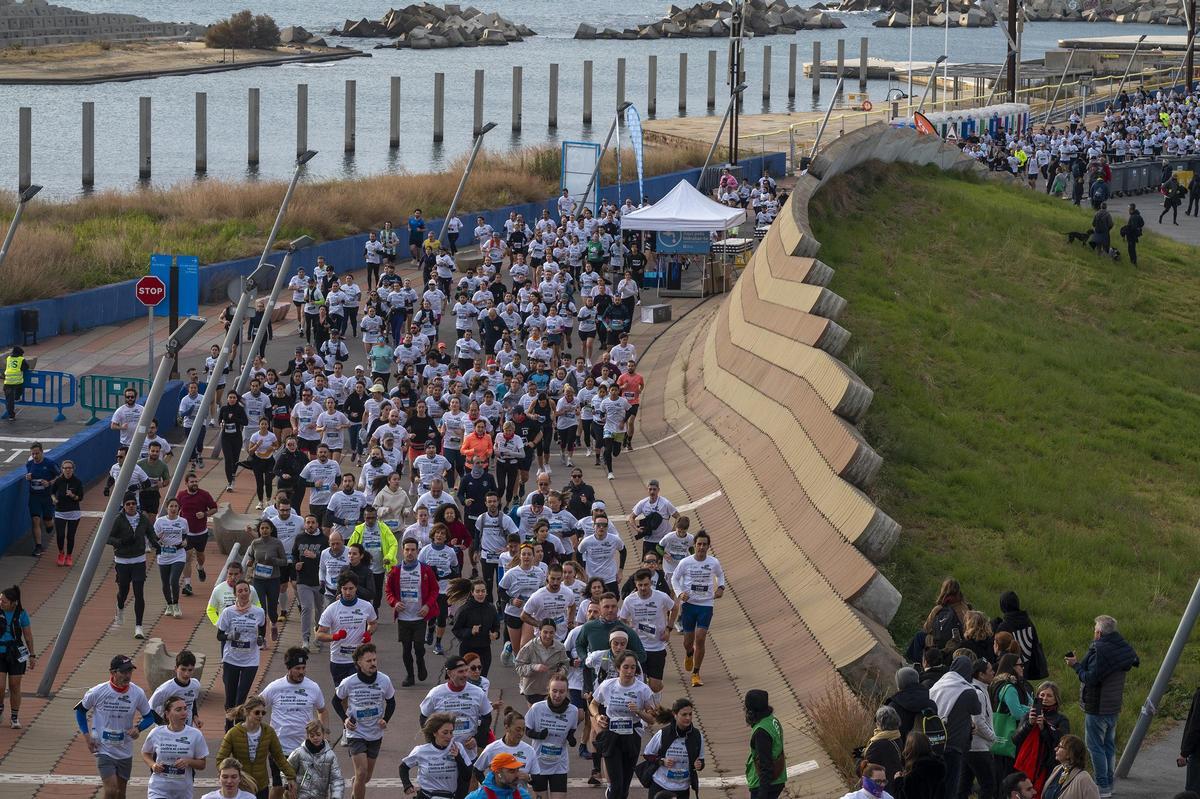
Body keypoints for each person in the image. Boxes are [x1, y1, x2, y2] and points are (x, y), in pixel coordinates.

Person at [1065, 614, 1139, 798]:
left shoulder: (1099, 650)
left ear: (1098, 632)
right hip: (1113, 705)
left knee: (1095, 747)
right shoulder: (1123, 648)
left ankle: (1102, 787)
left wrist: (1075, 666)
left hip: (1097, 706)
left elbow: (1090, 678)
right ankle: (1109, 783)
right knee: (1108, 746)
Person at [76, 655, 156, 799]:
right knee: (111, 790)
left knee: (120, 794)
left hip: (125, 750)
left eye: (130, 671)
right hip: (103, 748)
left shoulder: (137, 693)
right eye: (124, 672)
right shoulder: (98, 691)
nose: (128, 675)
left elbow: (149, 717)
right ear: (113, 672)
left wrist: (138, 728)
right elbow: (80, 711)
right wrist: (87, 737)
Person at [261, 647, 327, 798]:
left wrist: (324, 735)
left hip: (304, 748)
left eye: (304, 668)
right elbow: (257, 705)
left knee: (296, 789)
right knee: (278, 788)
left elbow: (322, 710)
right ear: (289, 668)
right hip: (278, 748)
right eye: (297, 668)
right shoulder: (275, 687)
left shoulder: (312, 687)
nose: (301, 672)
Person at [333, 643, 396, 799]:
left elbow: (391, 701)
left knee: (365, 777)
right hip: (356, 733)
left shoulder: (384, 680)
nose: (373, 663)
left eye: (374, 659)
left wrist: (385, 719)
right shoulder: (349, 682)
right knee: (361, 773)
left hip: (375, 733)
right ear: (358, 663)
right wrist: (345, 719)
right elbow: (336, 701)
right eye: (368, 661)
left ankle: (357, 787)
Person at [590, 652, 657, 799]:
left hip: (632, 735)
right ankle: (611, 792)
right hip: (611, 736)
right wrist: (597, 716)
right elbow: (593, 704)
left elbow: (652, 719)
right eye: (625, 667)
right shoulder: (608, 685)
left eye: (633, 668)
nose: (629, 671)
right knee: (616, 785)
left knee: (625, 786)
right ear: (618, 667)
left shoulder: (643, 690)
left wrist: (639, 711)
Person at [670, 530, 725, 687]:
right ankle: (689, 653)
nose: (701, 547)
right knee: (688, 642)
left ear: (708, 547)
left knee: (700, 638)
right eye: (699, 544)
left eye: (704, 545)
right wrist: (680, 593)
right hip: (689, 605)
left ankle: (696, 673)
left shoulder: (713, 562)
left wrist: (721, 588)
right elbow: (675, 578)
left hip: (706, 604)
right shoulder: (686, 562)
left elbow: (720, 575)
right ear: (694, 545)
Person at [384, 537, 440, 686]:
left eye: (413, 550)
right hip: (403, 617)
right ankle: (410, 675)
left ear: (417, 551)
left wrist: (427, 605)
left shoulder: (425, 569)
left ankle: (420, 663)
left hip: (419, 616)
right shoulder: (395, 571)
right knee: (406, 648)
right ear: (402, 551)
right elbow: (388, 591)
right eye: (407, 550)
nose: (410, 553)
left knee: (419, 646)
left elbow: (435, 589)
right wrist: (394, 603)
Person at [217, 696, 297, 799]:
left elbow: (279, 757)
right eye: (257, 712)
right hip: (241, 786)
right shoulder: (233, 733)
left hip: (261, 786)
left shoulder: (269, 732)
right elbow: (220, 760)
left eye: (263, 713)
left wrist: (290, 776)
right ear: (247, 712)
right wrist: (232, 777)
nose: (260, 716)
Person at [216, 580, 267, 724]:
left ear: (250, 593)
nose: (243, 593)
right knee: (230, 697)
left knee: (241, 697)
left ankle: (238, 728)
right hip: (231, 658)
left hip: (250, 660)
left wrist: (260, 639)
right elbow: (219, 636)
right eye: (240, 591)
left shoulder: (259, 612)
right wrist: (230, 636)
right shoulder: (228, 612)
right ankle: (228, 728)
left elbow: (262, 631)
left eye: (246, 590)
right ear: (235, 594)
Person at [930, 655, 981, 797]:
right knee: (951, 786)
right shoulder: (968, 691)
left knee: (935, 785)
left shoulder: (938, 685)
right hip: (954, 744)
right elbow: (977, 709)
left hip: (934, 741)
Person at [619, 567, 675, 695]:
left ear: (650, 583)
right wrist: (629, 632)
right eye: (640, 585)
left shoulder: (661, 597)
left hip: (657, 647)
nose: (643, 588)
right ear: (635, 584)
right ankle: (646, 711)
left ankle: (655, 699)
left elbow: (675, 608)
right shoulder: (630, 600)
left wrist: (668, 629)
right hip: (638, 648)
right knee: (639, 684)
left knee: (655, 686)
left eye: (646, 585)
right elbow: (622, 620)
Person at [419, 655, 494, 752]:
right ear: (449, 673)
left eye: (466, 670)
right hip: (443, 752)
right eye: (460, 672)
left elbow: (487, 717)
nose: (465, 675)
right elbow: (424, 718)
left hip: (468, 751)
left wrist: (477, 739)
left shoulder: (478, 692)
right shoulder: (436, 693)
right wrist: (433, 741)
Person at [140, 695, 208, 799]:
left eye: (185, 709)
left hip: (183, 791)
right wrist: (153, 765)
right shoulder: (156, 732)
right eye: (178, 710)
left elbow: (202, 764)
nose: (184, 713)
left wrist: (188, 761)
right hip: (158, 789)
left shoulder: (195, 734)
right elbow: (145, 753)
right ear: (167, 714)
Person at [316, 573, 378, 686]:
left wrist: (369, 632)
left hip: (359, 659)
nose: (348, 592)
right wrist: (335, 636)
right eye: (345, 589)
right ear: (340, 589)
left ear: (356, 588)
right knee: (341, 695)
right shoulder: (332, 609)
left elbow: (373, 623)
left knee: (356, 692)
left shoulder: (366, 606)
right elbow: (319, 635)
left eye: (351, 588)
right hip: (338, 659)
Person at [524, 675, 580, 799]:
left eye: (561, 691)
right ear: (548, 690)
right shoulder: (537, 708)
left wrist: (571, 738)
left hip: (559, 764)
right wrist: (538, 735)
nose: (557, 695)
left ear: (567, 691)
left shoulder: (573, 711)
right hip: (538, 763)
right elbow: (527, 730)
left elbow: (571, 730)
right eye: (554, 691)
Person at [1013, 681, 1071, 797]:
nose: (1045, 698)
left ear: (1056, 699)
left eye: (1049, 695)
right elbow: (1016, 740)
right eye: (1042, 695)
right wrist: (1029, 724)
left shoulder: (1061, 720)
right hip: (1026, 766)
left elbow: (1061, 744)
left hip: (1048, 767)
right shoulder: (1028, 715)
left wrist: (1044, 728)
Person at [400, 712, 477, 799]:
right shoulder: (421, 751)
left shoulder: (458, 747)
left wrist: (458, 757)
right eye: (445, 733)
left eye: (451, 732)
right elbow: (403, 767)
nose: (449, 736)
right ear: (435, 733)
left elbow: (467, 776)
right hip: (426, 796)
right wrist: (407, 785)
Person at [642, 698, 706, 799]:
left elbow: (701, 761)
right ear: (675, 715)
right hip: (661, 786)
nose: (688, 718)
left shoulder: (697, 736)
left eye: (690, 714)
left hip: (682, 789)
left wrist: (699, 765)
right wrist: (661, 761)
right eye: (684, 714)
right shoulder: (663, 734)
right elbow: (647, 754)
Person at [110, 496, 153, 639]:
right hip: (122, 560)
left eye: (134, 503)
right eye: (128, 504)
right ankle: (120, 606)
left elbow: (151, 534)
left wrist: (159, 546)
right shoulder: (118, 519)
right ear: (123, 506)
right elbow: (107, 538)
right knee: (123, 590)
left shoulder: (143, 519)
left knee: (139, 592)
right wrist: (121, 542)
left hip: (139, 560)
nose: (131, 506)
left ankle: (139, 626)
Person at [177, 472, 218, 598]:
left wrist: (205, 514)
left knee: (200, 555)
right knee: (187, 557)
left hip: (201, 532)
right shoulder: (181, 495)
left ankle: (200, 567)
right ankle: (187, 585)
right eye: (192, 482)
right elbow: (176, 508)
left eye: (196, 482)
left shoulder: (204, 495)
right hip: (187, 533)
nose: (195, 484)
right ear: (186, 483)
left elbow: (214, 508)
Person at [246, 518, 288, 640]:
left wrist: (273, 561)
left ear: (271, 530)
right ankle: (261, 637)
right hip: (258, 579)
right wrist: (250, 562)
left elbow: (284, 561)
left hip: (273, 579)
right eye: (262, 528)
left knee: (272, 608)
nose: (264, 530)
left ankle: (273, 624)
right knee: (261, 609)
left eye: (267, 528)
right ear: (259, 530)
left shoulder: (277, 543)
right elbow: (250, 558)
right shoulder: (255, 543)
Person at [992, 591, 1049, 681]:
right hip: (1027, 665)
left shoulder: (1004, 626)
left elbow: (1000, 649)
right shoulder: (1027, 621)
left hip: (1010, 668)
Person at [451, 578, 502, 676]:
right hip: (468, 649)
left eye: (483, 591)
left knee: (482, 678)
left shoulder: (491, 608)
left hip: (485, 649)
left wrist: (495, 634)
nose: (480, 594)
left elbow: (496, 626)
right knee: (470, 677)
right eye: (477, 591)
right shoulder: (464, 610)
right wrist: (470, 631)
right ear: (472, 593)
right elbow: (456, 630)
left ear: (487, 592)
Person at [473, 707, 536, 786]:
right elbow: (477, 770)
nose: (521, 733)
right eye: (518, 729)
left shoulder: (529, 750)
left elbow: (538, 781)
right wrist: (488, 788)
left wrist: (529, 778)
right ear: (507, 728)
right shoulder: (492, 749)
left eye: (523, 729)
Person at [961, 658, 996, 799]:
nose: (993, 672)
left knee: (962, 787)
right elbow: (978, 721)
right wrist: (993, 737)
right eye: (990, 670)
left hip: (969, 747)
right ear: (981, 674)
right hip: (978, 749)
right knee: (989, 787)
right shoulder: (978, 693)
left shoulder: (977, 689)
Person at [0, 586, 34, 729]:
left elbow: (28, 636)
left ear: (13, 602)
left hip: (16, 653)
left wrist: (32, 655)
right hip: (0, 652)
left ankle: (14, 717)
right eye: (0, 600)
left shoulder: (21, 614)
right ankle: (0, 709)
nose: (1, 603)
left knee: (14, 686)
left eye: (4, 601)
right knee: (0, 686)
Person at [515, 619, 569, 705]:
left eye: (551, 633)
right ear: (540, 632)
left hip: (551, 690)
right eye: (545, 632)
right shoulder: (529, 647)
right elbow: (518, 667)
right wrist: (534, 667)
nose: (548, 636)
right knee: (535, 715)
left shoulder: (560, 647)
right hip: (532, 689)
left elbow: (565, 664)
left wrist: (561, 672)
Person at [287, 720, 344, 799]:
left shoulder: (330, 756)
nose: (315, 738)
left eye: (318, 734)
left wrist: (336, 796)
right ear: (308, 736)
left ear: (323, 734)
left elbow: (337, 779)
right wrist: (289, 786)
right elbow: (286, 770)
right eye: (312, 735)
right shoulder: (299, 753)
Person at [152, 498, 189, 619]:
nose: (173, 509)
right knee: (165, 582)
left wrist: (185, 542)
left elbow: (186, 536)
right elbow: (153, 540)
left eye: (176, 506)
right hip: (163, 555)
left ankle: (176, 604)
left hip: (178, 554)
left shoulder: (183, 521)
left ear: (179, 508)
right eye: (171, 506)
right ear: (166, 508)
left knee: (174, 580)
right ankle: (169, 605)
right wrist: (158, 537)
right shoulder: (159, 522)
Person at [149, 650, 203, 731]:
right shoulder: (165, 689)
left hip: (187, 729)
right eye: (183, 669)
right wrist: (164, 725)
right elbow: (149, 708)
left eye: (190, 670)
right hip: (166, 731)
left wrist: (195, 716)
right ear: (176, 669)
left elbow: (192, 700)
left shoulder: (195, 685)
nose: (186, 674)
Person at [885, 666, 938, 742]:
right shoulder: (931, 703)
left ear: (899, 684)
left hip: (904, 751)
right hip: (930, 750)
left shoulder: (893, 707)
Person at [25, 441, 59, 558]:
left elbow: (59, 476)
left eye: (37, 453)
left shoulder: (50, 464)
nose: (35, 456)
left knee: (48, 522)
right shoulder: (29, 464)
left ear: (42, 452)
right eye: (33, 454)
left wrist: (49, 482)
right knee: (35, 519)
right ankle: (38, 546)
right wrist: (28, 478)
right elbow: (29, 476)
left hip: (47, 496)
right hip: (34, 496)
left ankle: (50, 525)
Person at [890, 732, 945, 799]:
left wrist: (898, 781)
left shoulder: (914, 775)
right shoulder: (939, 768)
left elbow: (902, 796)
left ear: (909, 748)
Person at [1044, 734, 1100, 799]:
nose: (1056, 749)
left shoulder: (1084, 778)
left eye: (1060, 747)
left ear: (1070, 754)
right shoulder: (1057, 769)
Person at [50, 457, 84, 565]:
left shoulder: (77, 482)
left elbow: (80, 497)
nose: (67, 470)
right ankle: (61, 553)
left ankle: (69, 555)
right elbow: (51, 492)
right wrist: (54, 499)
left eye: (70, 468)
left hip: (73, 512)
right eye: (65, 468)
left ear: (73, 469)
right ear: (62, 469)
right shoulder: (58, 481)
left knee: (70, 535)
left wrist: (73, 495)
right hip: (60, 511)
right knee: (60, 535)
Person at [861, 706, 904, 785]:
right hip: (896, 782)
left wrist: (859, 760)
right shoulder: (897, 738)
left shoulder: (877, 745)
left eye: (877, 720)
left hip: (880, 786)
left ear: (880, 723)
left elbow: (866, 769)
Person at [465, 752, 533, 799]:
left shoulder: (523, 795)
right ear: (498, 773)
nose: (517, 775)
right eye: (511, 771)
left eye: (517, 770)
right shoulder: (478, 797)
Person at [3, 344, 30, 423]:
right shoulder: (21, 359)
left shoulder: (8, 358)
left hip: (7, 382)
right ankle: (17, 397)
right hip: (17, 382)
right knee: (19, 392)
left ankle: (11, 416)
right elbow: (26, 367)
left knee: (9, 401)